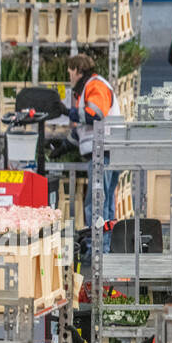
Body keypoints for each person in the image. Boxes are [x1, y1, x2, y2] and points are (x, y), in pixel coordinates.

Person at [64, 53, 121, 235]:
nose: (69, 76)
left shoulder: (95, 85)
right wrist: (66, 144)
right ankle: (106, 247)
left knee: (97, 205)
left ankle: (98, 251)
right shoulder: (89, 87)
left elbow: (95, 115)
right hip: (107, 150)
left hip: (103, 152)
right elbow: (85, 128)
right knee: (105, 204)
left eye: (70, 72)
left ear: (79, 71)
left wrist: (67, 112)